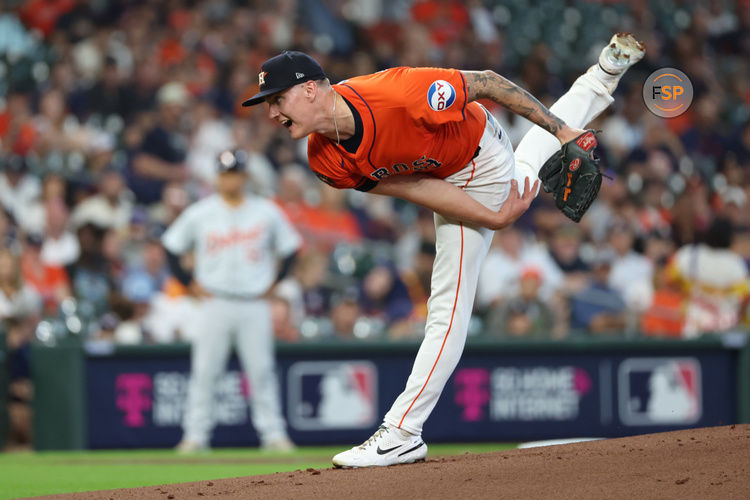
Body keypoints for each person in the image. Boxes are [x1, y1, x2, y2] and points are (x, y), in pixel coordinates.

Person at [242, 33, 645, 467]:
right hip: (450, 175)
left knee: (448, 308)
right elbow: (414, 186)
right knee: (527, 170)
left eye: (276, 98)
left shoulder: (396, 94)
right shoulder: (324, 159)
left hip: (480, 159)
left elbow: (488, 82)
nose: (271, 111)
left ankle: (402, 432)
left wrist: (560, 131)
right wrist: (490, 218)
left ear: (308, 89)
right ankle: (604, 74)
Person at [162, 149, 302, 452]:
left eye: (235, 172)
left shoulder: (266, 211)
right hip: (215, 301)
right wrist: (188, 284)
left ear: (245, 175)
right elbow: (171, 247)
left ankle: (273, 435)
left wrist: (276, 283)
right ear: (217, 176)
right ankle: (195, 436)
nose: (230, 179)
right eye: (225, 173)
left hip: (253, 303)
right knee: (205, 371)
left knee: (261, 370)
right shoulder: (200, 212)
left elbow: (291, 248)